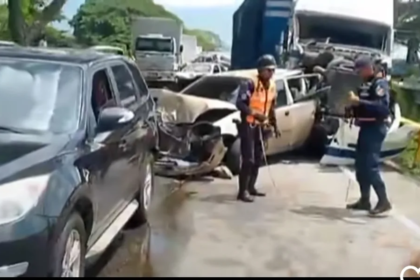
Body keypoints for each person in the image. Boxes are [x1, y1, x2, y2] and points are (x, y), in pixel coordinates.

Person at [346, 56, 392, 215]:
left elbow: (382, 108)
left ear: (367, 68)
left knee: (370, 165)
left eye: (360, 71)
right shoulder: (366, 84)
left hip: (375, 128)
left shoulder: (380, 84)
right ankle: (364, 199)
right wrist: (352, 108)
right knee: (360, 165)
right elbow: (363, 104)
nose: (359, 74)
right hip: (365, 127)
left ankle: (383, 200)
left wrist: (360, 102)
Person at [235, 54, 281, 202]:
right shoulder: (250, 83)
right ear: (260, 70)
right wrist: (255, 114)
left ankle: (251, 187)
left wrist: (275, 124)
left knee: (258, 158)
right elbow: (240, 104)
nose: (271, 73)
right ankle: (242, 192)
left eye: (273, 70)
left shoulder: (273, 86)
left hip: (262, 126)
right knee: (248, 159)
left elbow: (272, 106)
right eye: (268, 70)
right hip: (249, 124)